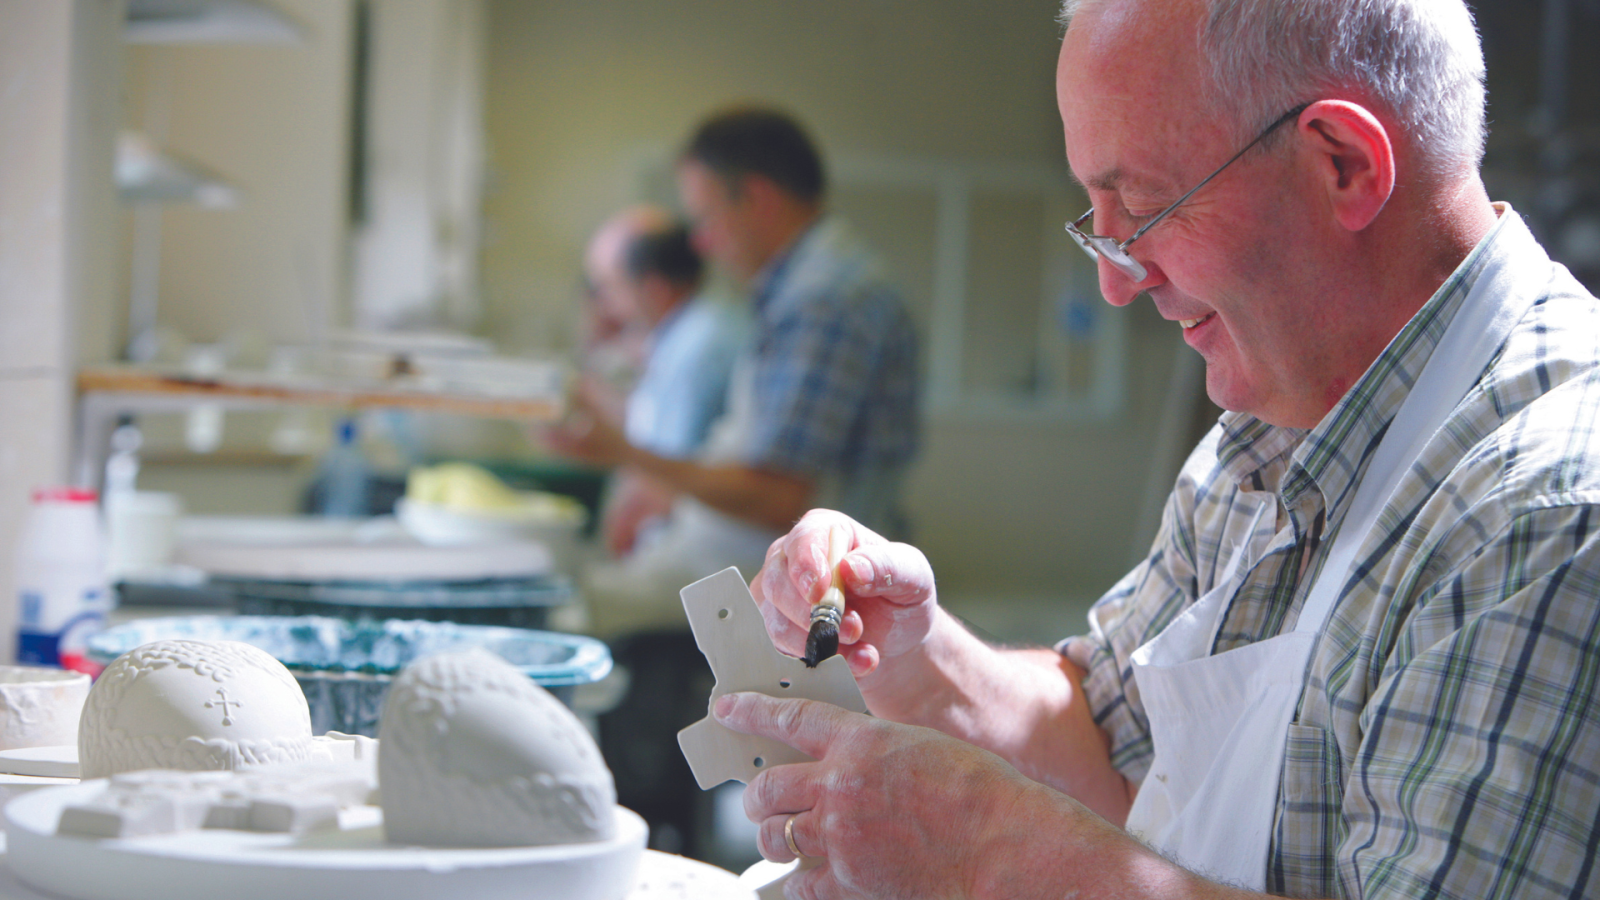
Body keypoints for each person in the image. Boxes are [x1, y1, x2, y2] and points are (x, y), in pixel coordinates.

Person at [717, 1, 1600, 898]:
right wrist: (917, 653)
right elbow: (1107, 744)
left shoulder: (1546, 512)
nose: (1116, 280)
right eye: (1098, 220)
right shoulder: (1269, 438)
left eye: (1141, 207)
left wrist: (992, 849)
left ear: (1344, 164)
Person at [549, 106, 921, 635]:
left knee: (561, 616)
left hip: (788, 581)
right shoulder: (802, 289)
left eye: (705, 218)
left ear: (758, 199)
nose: (700, 243)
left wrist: (623, 452)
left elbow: (779, 498)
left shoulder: (823, 299)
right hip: (748, 556)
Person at [579, 206, 750, 557]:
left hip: (699, 546)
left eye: (611, 287)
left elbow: (674, 464)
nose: (607, 305)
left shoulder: (701, 342)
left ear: (654, 288)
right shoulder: (690, 329)